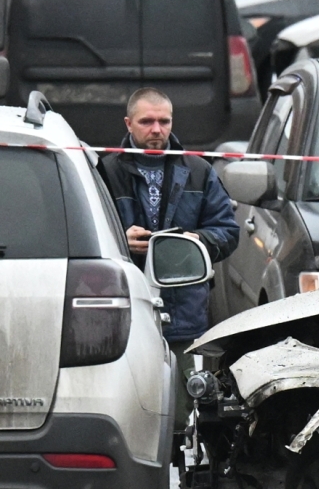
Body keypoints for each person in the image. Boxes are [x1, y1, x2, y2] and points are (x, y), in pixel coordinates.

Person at [99, 88, 240, 348]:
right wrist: (118, 240)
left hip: (185, 317)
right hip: (122, 312)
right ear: (129, 124)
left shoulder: (199, 171)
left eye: (164, 121)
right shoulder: (104, 171)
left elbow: (228, 232)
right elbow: (81, 235)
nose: (156, 129)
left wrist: (196, 241)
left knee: (184, 387)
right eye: (146, 121)